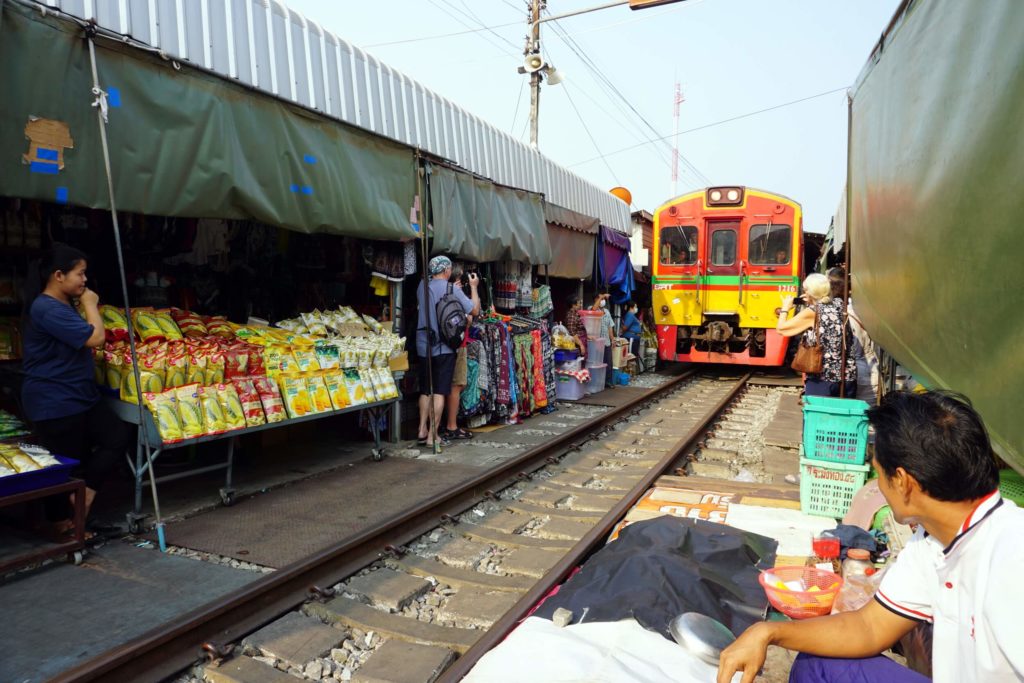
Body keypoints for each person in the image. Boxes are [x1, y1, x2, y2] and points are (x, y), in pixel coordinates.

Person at [718, 391, 1024, 683]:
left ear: (903, 482)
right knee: (819, 664)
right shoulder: (932, 541)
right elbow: (869, 626)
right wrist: (768, 633)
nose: (879, 486)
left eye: (879, 474)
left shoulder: (1012, 555)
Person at [21, 243, 130, 534]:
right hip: (55, 399)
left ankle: (83, 500)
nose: (84, 280)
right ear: (59, 275)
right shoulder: (46, 307)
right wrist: (91, 304)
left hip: (79, 395)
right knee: (61, 465)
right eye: (80, 274)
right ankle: (62, 526)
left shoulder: (61, 305)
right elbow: (95, 339)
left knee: (115, 437)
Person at [416, 255, 479, 448]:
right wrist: (474, 288)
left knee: (426, 389)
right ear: (446, 271)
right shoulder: (452, 289)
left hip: (422, 344)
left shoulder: (421, 286)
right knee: (440, 392)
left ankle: (421, 429)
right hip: (443, 347)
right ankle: (432, 436)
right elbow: (474, 310)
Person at [776, 272, 856, 397]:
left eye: (805, 290)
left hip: (823, 377)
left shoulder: (812, 312)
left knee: (817, 415)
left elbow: (782, 329)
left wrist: (785, 308)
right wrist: (812, 300)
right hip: (848, 377)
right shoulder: (839, 304)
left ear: (809, 293)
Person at [829, 267, 879, 406]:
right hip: (873, 366)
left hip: (854, 371)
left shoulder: (840, 314)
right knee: (868, 418)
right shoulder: (863, 309)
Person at [442, 263, 474, 441]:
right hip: (458, 344)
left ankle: (441, 427)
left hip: (442, 345)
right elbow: (471, 314)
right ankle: (452, 426)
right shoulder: (454, 292)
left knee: (445, 385)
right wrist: (474, 289)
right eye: (461, 279)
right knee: (457, 384)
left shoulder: (437, 291)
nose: (463, 282)